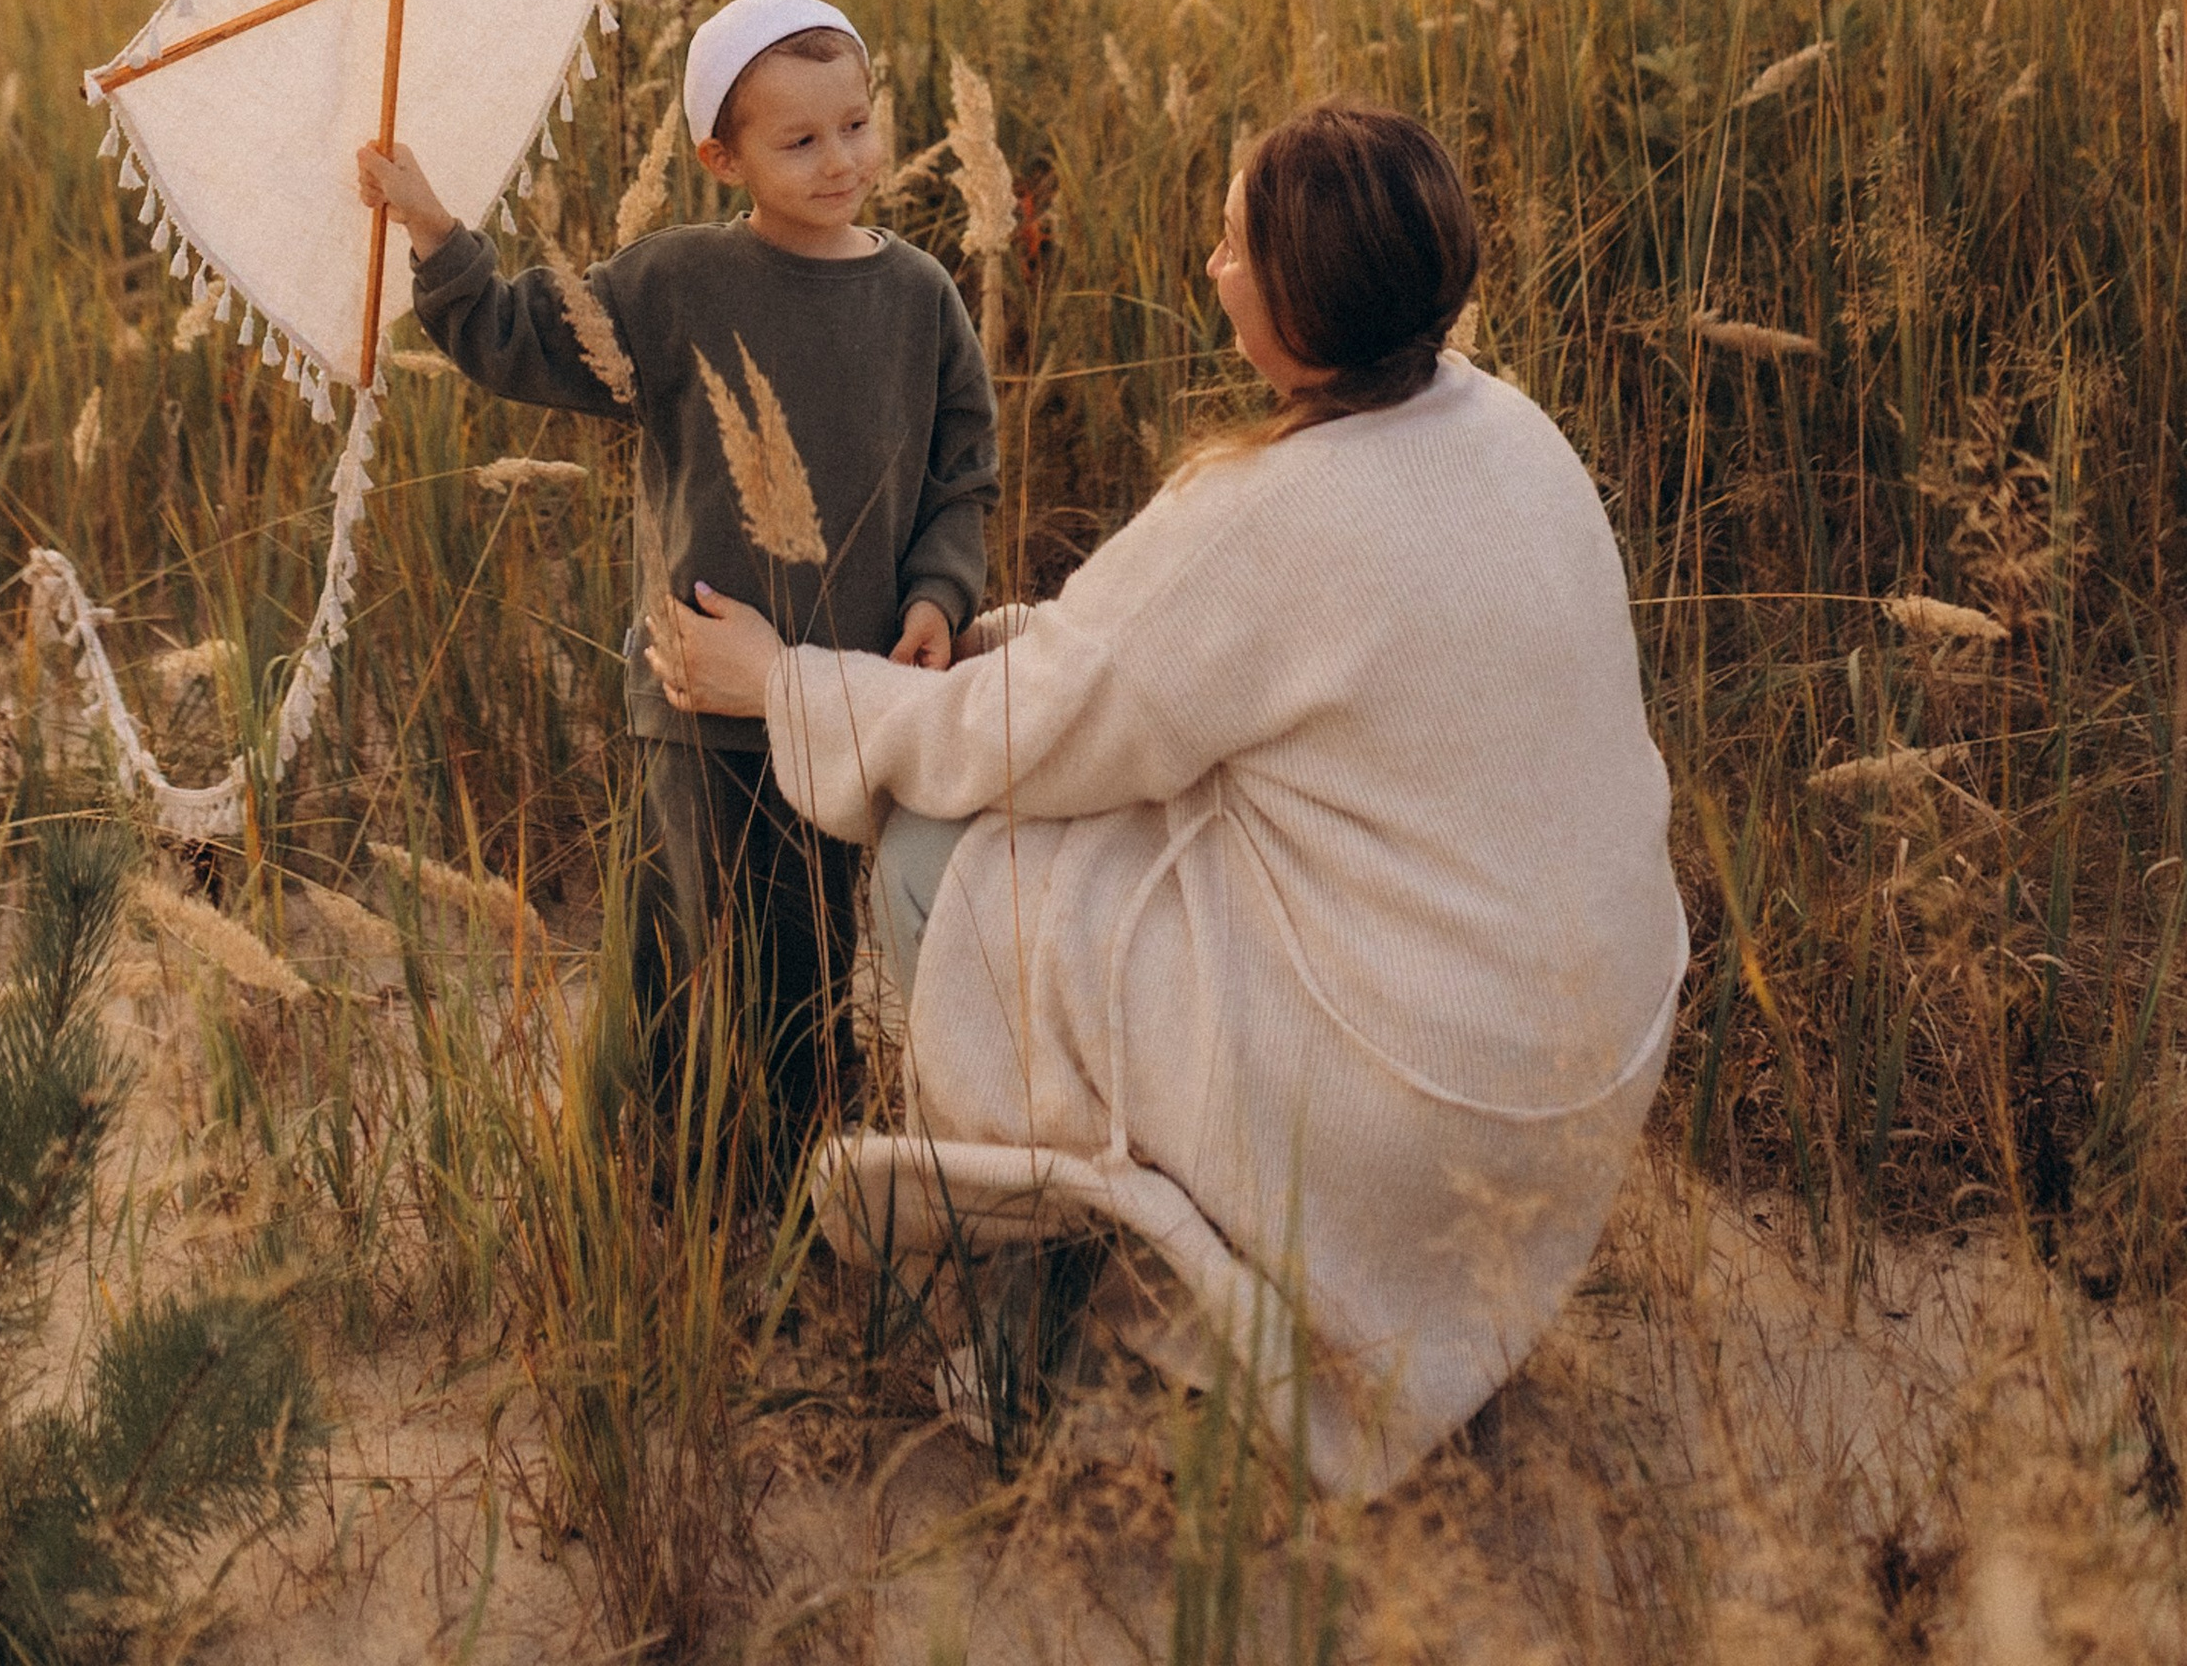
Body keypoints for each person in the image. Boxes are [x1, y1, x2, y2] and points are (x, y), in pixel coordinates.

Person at [648, 96, 1688, 1491]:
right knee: (1099, 829)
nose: (1212, 271)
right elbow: (1134, 687)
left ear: (1303, 303)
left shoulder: (1274, 514)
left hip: (1406, 1110)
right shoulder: (1507, 428)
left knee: (940, 864)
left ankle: (1043, 1365)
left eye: (1231, 248)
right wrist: (1010, 641)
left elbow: (1014, 739)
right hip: (1569, 1064)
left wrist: (782, 682)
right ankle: (1231, 1305)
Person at [357, 0, 999, 1147]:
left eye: (855, 125)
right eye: (798, 141)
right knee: (685, 950)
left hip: (848, 701)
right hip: (701, 694)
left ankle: (794, 1176)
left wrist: (937, 596)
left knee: (807, 963)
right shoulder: (678, 282)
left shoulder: (919, 297)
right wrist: (434, 232)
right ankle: (652, 1169)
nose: (840, 159)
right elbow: (520, 338)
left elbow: (961, 473)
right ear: (721, 155)